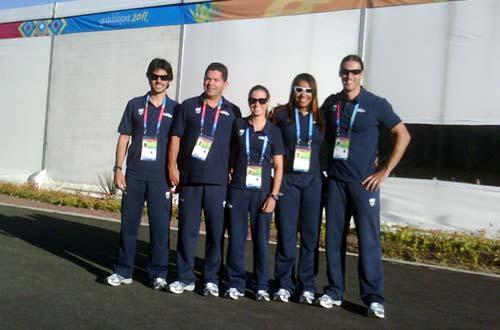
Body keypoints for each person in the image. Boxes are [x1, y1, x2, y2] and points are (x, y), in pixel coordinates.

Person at [317, 55, 410, 318]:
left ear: (362, 74)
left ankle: (374, 299)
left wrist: (384, 172)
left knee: (368, 242)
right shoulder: (331, 103)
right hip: (336, 182)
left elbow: (403, 134)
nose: (349, 76)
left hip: (364, 184)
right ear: (339, 74)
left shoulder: (376, 104)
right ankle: (334, 291)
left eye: (354, 72)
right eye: (345, 72)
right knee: (334, 240)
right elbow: (318, 132)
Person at [167, 62, 241, 296]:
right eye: (208, 78)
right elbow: (176, 138)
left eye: (216, 79)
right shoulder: (188, 106)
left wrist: (232, 169)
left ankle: (211, 278)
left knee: (215, 232)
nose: (211, 83)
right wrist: (172, 166)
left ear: (225, 84)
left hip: (218, 182)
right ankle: (185, 276)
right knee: (187, 230)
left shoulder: (233, 111)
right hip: (189, 179)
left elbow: (238, 146)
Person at [106, 58, 178, 289]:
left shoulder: (176, 110)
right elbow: (124, 138)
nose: (159, 80)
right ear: (149, 77)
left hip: (160, 177)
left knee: (160, 228)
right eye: (155, 76)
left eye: (163, 77)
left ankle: (158, 273)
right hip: (134, 173)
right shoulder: (134, 104)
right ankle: (123, 270)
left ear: (169, 81)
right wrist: (118, 169)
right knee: (129, 225)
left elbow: (179, 143)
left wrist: (176, 171)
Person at [225, 85, 284, 301]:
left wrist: (273, 196)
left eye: (261, 100)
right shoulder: (238, 125)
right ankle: (235, 283)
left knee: (261, 241)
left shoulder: (274, 131)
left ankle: (260, 285)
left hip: (262, 193)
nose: (256, 104)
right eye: (253, 100)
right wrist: (228, 170)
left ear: (268, 102)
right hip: (239, 190)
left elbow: (279, 167)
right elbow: (230, 152)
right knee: (237, 239)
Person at [271, 74, 325, 304]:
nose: (303, 94)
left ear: (314, 93)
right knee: (286, 233)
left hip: (313, 182)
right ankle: (284, 283)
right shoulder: (282, 115)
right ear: (293, 91)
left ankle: (307, 285)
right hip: (289, 181)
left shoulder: (322, 117)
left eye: (308, 90)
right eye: (299, 89)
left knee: (310, 236)